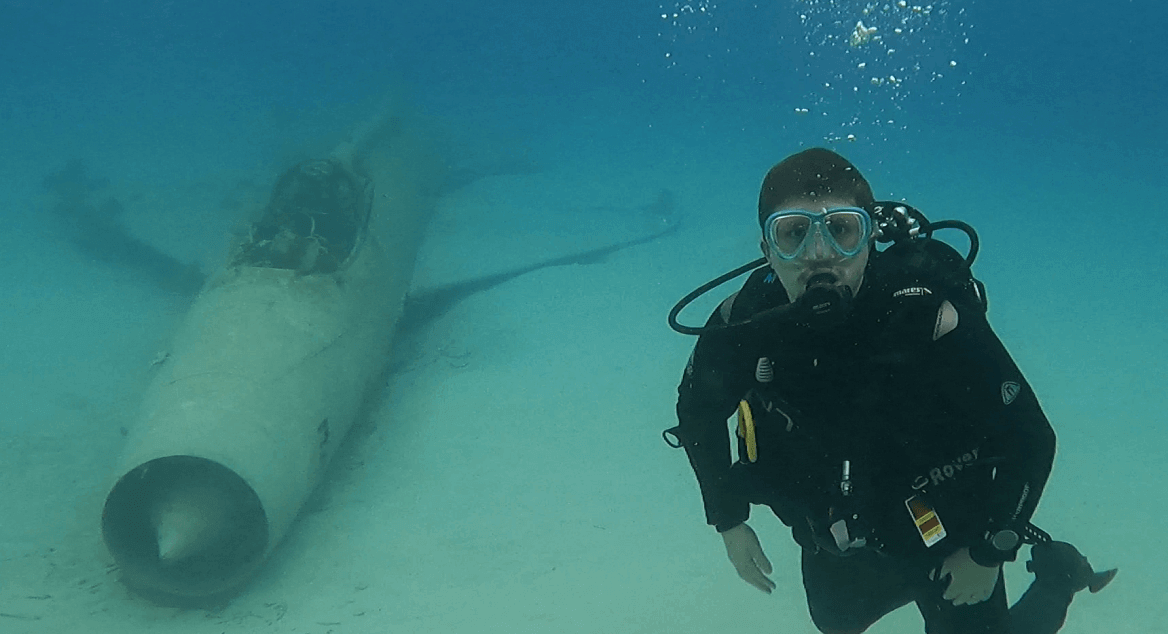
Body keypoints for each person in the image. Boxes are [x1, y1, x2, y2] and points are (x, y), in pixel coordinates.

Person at [668, 148, 1114, 634]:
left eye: (841, 230)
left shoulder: (927, 316)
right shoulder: (743, 324)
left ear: (869, 238)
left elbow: (1031, 437)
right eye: (794, 234)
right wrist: (729, 521)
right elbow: (698, 414)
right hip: (836, 535)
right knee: (836, 621)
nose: (819, 254)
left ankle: (1058, 578)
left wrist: (990, 551)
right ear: (767, 248)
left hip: (949, 533)